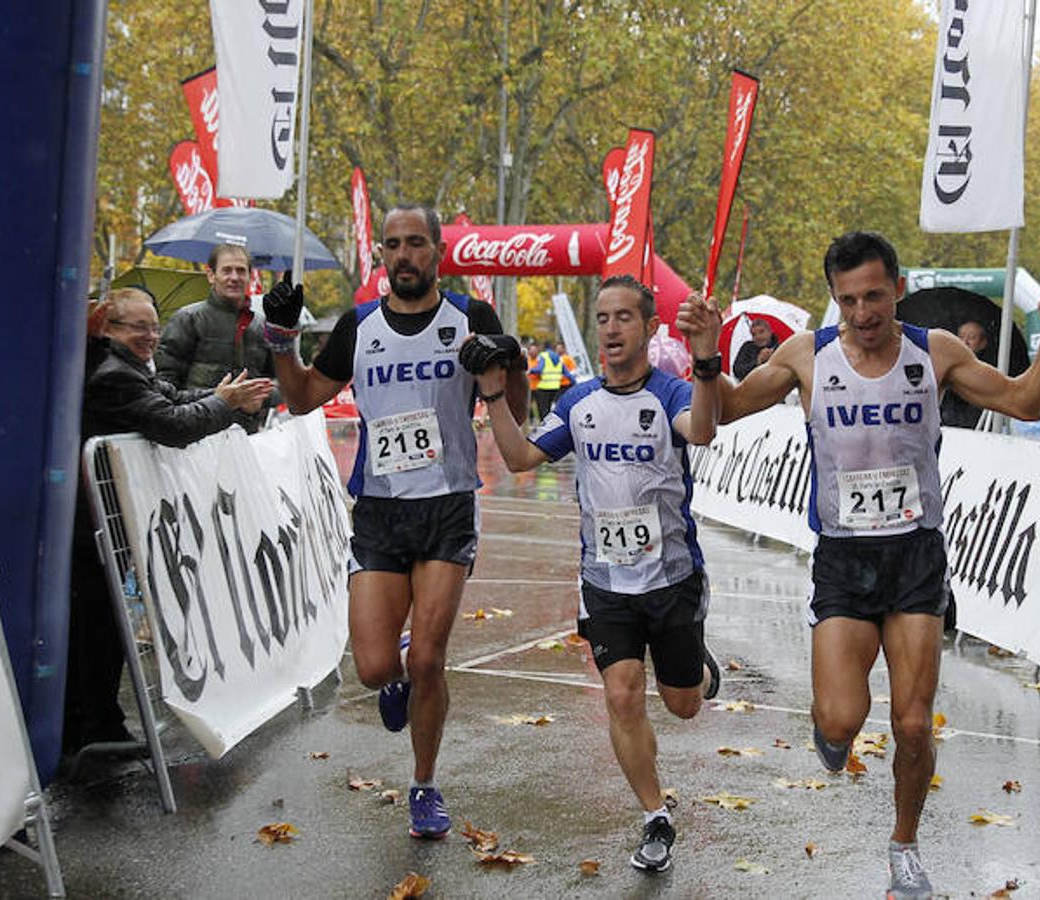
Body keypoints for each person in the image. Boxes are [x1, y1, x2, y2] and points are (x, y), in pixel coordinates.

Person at [716, 232, 1040, 899]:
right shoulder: (807, 357)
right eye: (848, 299)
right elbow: (722, 413)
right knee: (838, 720)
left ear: (898, 288)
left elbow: (1024, 403)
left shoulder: (935, 351)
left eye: (874, 296)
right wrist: (703, 358)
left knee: (912, 723)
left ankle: (904, 846)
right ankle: (831, 730)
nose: (862, 313)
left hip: (915, 556)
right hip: (842, 561)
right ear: (833, 298)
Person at [260, 204, 528, 841]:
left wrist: (503, 369)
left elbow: (514, 407)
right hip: (379, 512)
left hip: (447, 507)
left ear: (437, 250)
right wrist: (278, 337)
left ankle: (424, 784)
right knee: (376, 668)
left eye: (415, 244)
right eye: (392, 245)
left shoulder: (471, 318)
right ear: (379, 255)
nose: (403, 255)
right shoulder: (359, 326)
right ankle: (399, 666)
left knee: (432, 659)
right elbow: (301, 397)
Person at [471, 276, 724, 874]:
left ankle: (694, 665)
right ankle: (654, 816)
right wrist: (491, 395)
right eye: (602, 318)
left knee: (683, 705)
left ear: (650, 327)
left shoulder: (670, 394)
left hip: (672, 577)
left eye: (624, 318)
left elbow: (705, 429)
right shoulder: (578, 401)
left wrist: (707, 359)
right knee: (621, 691)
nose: (610, 329)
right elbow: (520, 459)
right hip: (605, 580)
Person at [66, 288, 272, 758]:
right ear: (109, 330)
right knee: (96, 628)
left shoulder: (129, 367)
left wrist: (224, 397)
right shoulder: (113, 376)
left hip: (107, 521)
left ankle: (97, 725)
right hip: (93, 523)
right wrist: (227, 404)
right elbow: (173, 424)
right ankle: (93, 730)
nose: (151, 336)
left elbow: (175, 397)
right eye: (138, 327)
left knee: (103, 625)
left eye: (154, 326)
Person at [155, 243, 278, 432]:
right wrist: (215, 401)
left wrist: (262, 401)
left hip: (247, 436)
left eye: (240, 271)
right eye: (227, 270)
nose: (234, 277)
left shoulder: (262, 325)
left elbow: (282, 383)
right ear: (211, 275)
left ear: (249, 276)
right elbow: (164, 382)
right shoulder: (188, 318)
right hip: (197, 435)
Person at [939, 319, 992, 430]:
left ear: (983, 344)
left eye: (971, 337)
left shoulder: (989, 373)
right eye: (961, 337)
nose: (965, 342)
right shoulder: (944, 368)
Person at [528, 337, 566, 421]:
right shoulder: (559, 357)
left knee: (542, 408)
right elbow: (566, 372)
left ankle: (544, 425)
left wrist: (530, 371)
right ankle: (549, 424)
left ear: (543, 347)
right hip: (555, 386)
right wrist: (574, 382)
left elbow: (539, 369)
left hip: (543, 386)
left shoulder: (543, 356)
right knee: (548, 408)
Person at [731, 315, 780, 380]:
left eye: (761, 332)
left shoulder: (780, 347)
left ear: (770, 331)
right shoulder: (747, 347)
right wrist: (757, 362)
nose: (758, 337)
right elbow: (737, 371)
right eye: (754, 334)